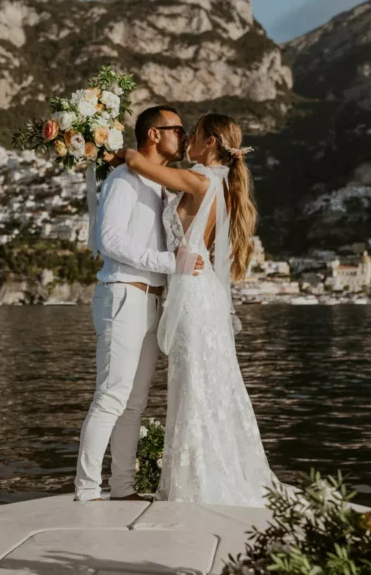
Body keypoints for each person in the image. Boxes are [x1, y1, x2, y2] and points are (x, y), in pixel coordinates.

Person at [117, 113, 280, 506]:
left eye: (196, 133)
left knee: (193, 384)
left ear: (210, 143)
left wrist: (98, 143)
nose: (188, 137)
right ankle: (205, 474)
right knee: (207, 381)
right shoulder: (220, 185)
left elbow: (137, 162)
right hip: (200, 287)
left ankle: (196, 485)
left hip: (191, 291)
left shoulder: (200, 179)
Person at [73, 105, 204, 502]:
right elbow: (108, 240)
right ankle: (87, 490)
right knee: (112, 394)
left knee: (135, 403)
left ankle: (123, 488)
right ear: (153, 134)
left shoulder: (160, 185)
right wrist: (170, 263)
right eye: (178, 130)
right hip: (123, 293)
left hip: (153, 301)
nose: (183, 137)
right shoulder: (123, 179)